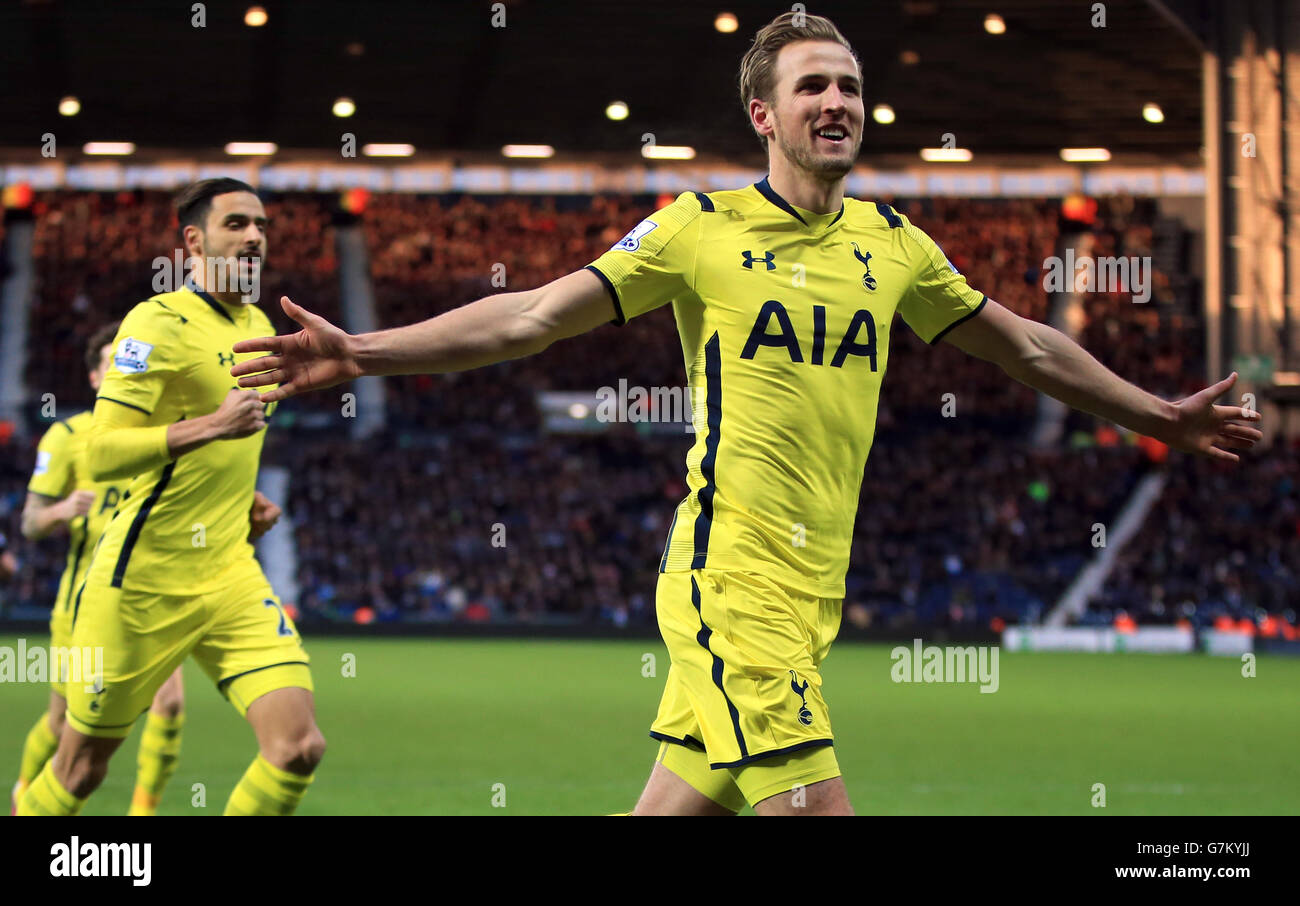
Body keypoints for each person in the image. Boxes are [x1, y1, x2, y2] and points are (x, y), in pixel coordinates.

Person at [230, 13, 1262, 815]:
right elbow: (535, 316)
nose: (838, 102)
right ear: (763, 115)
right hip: (734, 588)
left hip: (811, 599)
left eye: (851, 87)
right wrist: (363, 350)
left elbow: (1028, 345)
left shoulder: (894, 245)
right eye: (812, 85)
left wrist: (1157, 416)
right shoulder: (698, 230)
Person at [17, 177, 324, 817]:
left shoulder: (260, 324)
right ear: (193, 240)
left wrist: (244, 504)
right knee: (77, 771)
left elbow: (234, 446)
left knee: (297, 747)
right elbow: (101, 452)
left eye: (261, 225)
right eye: (236, 223)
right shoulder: (156, 321)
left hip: (230, 572)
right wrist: (212, 424)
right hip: (145, 578)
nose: (254, 237)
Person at [13, 322, 189, 817]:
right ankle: (24, 791)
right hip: (85, 604)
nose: (121, 372)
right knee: (63, 725)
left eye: (130, 363)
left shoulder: (164, 436)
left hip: (151, 596)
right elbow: (29, 523)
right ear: (95, 378)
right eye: (111, 363)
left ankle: (142, 815)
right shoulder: (67, 436)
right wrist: (60, 510)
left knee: (170, 704)